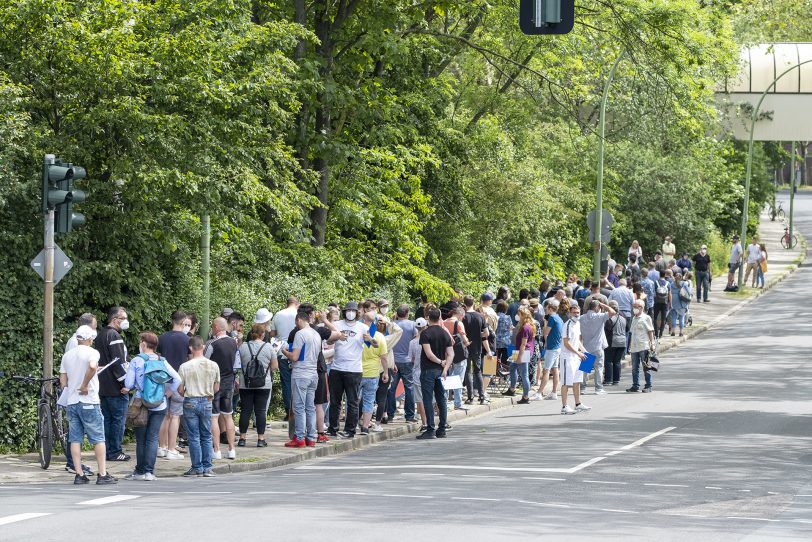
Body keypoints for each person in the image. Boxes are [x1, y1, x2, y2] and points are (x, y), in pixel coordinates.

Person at [59, 325, 117, 485]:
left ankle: (79, 474)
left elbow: (63, 380)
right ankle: (102, 474)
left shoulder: (67, 355)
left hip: (72, 402)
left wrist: (73, 386)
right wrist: (84, 384)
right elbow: (92, 366)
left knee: (75, 438)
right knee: (98, 438)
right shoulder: (93, 352)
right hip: (89, 401)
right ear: (90, 338)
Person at [123, 332, 181, 481]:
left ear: (143, 344)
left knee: (141, 439)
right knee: (152, 438)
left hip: (141, 404)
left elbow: (128, 384)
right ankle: (150, 472)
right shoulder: (162, 360)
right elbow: (177, 379)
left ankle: (140, 471)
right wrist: (167, 394)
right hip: (159, 404)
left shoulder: (137, 360)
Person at [328, 302, 371, 439]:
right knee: (335, 400)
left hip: (354, 369)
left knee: (352, 401)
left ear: (357, 313)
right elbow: (329, 342)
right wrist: (336, 337)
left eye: (353, 310)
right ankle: (333, 428)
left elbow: (373, 343)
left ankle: (350, 430)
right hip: (336, 367)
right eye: (348, 310)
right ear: (344, 311)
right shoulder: (338, 325)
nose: (350, 313)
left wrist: (371, 339)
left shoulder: (363, 327)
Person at [178, 336, 220, 477]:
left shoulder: (184, 366)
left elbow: (180, 390)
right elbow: (216, 387)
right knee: (206, 435)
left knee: (193, 436)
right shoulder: (213, 365)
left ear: (190, 348)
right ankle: (208, 467)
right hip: (207, 401)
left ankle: (197, 467)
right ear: (203, 347)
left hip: (190, 400)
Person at [94, 306, 131, 463]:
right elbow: (118, 363)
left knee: (107, 420)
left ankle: (108, 450)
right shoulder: (114, 335)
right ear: (115, 319)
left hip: (103, 385)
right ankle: (115, 451)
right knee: (117, 420)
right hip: (116, 388)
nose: (126, 322)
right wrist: (125, 383)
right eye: (124, 318)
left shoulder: (101, 335)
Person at [63, 313, 97, 476]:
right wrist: (83, 384)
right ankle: (75, 464)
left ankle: (77, 469)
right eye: (94, 328)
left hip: (73, 396)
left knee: (75, 434)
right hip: (83, 395)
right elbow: (85, 366)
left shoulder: (73, 344)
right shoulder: (85, 348)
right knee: (94, 435)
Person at [282, 311, 323, 447]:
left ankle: (299, 437)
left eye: (296, 323)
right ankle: (311, 437)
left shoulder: (300, 334)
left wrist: (284, 351)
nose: (296, 325)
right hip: (313, 373)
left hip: (301, 374)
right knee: (310, 407)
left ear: (299, 320)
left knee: (299, 407)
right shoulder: (316, 334)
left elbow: (294, 357)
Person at [157, 310, 190, 461]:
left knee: (164, 415)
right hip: (179, 381)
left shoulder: (162, 338)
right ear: (183, 322)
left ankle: (161, 447)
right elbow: (189, 361)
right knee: (175, 416)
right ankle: (171, 449)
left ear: (172, 321)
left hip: (163, 380)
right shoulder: (186, 339)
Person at [204, 317, 239, 460]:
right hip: (229, 382)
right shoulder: (234, 343)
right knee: (228, 415)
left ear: (217, 328)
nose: (212, 329)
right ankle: (231, 449)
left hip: (214, 384)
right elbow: (237, 363)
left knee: (214, 417)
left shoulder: (212, 344)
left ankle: (216, 450)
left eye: (212, 326)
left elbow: (204, 362)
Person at [237, 324, 277, 447]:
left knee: (245, 411)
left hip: (245, 383)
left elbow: (238, 364)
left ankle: (242, 438)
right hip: (263, 384)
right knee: (260, 411)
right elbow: (275, 367)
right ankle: (260, 439)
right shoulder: (268, 347)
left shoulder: (243, 347)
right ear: (263, 334)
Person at [417, 307, 453, 440]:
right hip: (441, 372)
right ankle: (442, 428)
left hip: (428, 370)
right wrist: (445, 367)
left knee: (427, 399)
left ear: (428, 318)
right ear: (439, 318)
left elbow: (429, 354)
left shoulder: (425, 334)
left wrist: (440, 362)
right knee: (441, 399)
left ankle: (430, 429)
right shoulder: (445, 333)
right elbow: (451, 353)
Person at [358, 308, 389, 435]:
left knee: (354, 400)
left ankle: (352, 425)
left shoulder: (358, 333)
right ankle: (365, 427)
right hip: (373, 373)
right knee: (369, 400)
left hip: (357, 371)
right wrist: (386, 372)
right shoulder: (380, 337)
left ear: (363, 320)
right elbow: (384, 357)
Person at [578, 299, 616, 395]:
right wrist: (603, 304)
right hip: (597, 346)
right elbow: (613, 312)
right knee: (599, 367)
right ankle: (598, 388)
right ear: (597, 307)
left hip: (586, 346)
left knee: (585, 368)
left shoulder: (581, 318)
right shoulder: (600, 316)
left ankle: (582, 388)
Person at [271, 296, 299, 421]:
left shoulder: (277, 315)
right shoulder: (299, 314)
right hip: (298, 352)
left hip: (282, 352)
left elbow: (272, 335)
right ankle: (298, 411)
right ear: (297, 304)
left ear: (286, 303)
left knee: (286, 383)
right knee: (298, 383)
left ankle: (289, 411)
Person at [388, 305, 417, 422]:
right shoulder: (413, 325)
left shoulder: (391, 325)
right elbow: (416, 342)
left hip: (393, 360)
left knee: (391, 388)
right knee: (409, 388)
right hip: (408, 360)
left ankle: (389, 414)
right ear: (408, 313)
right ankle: (409, 416)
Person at [560, 304, 590, 415]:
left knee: (577, 381)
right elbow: (566, 343)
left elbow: (577, 341)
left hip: (576, 357)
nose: (576, 315)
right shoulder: (567, 325)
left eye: (578, 312)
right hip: (567, 357)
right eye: (574, 312)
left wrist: (584, 351)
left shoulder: (578, 324)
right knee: (566, 382)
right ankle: (564, 406)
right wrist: (578, 352)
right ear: (570, 313)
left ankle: (578, 404)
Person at [462, 296, 488, 405]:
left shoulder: (463, 317)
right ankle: (482, 396)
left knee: (468, 371)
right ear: (474, 303)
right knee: (478, 371)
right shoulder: (480, 316)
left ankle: (470, 397)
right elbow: (486, 333)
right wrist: (478, 335)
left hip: (465, 346)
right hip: (477, 346)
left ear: (464, 304)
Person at [627, 300, 655, 393]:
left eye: (636, 306)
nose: (634, 308)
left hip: (644, 346)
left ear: (641, 308)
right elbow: (631, 333)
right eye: (633, 306)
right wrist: (629, 346)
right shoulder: (634, 318)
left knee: (646, 367)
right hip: (634, 347)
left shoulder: (646, 318)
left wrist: (652, 344)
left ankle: (648, 385)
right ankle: (635, 385)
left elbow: (650, 331)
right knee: (635, 368)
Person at [509, 307, 536, 404]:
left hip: (523, 352)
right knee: (512, 368)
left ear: (522, 315)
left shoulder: (525, 327)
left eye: (519, 314)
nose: (517, 316)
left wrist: (520, 357)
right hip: (521, 351)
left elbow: (523, 344)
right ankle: (512, 389)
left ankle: (525, 396)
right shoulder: (528, 325)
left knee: (524, 375)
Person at [409, 318, 430, 430]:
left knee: (420, 400)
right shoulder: (430, 339)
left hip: (417, 372)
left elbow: (411, 359)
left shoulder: (412, 342)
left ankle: (425, 423)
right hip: (429, 371)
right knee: (430, 397)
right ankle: (433, 421)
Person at [540, 299, 562, 401]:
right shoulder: (558, 318)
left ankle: (539, 392)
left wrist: (545, 323)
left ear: (550, 308)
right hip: (557, 347)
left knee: (546, 370)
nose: (545, 310)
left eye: (546, 308)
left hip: (551, 347)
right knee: (555, 369)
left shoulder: (552, 318)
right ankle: (554, 392)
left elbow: (546, 333)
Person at [603, 300, 627, 386]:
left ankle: (608, 380)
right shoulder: (623, 317)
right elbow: (627, 329)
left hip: (612, 341)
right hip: (623, 342)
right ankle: (616, 379)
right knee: (617, 361)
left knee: (608, 361)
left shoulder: (609, 319)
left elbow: (607, 331)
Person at [669, 272, 691, 337]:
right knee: (682, 317)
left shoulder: (671, 284)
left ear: (675, 277)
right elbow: (688, 292)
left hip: (674, 300)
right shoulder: (684, 283)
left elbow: (670, 292)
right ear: (681, 278)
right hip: (682, 301)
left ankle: (673, 331)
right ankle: (681, 332)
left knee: (673, 317)